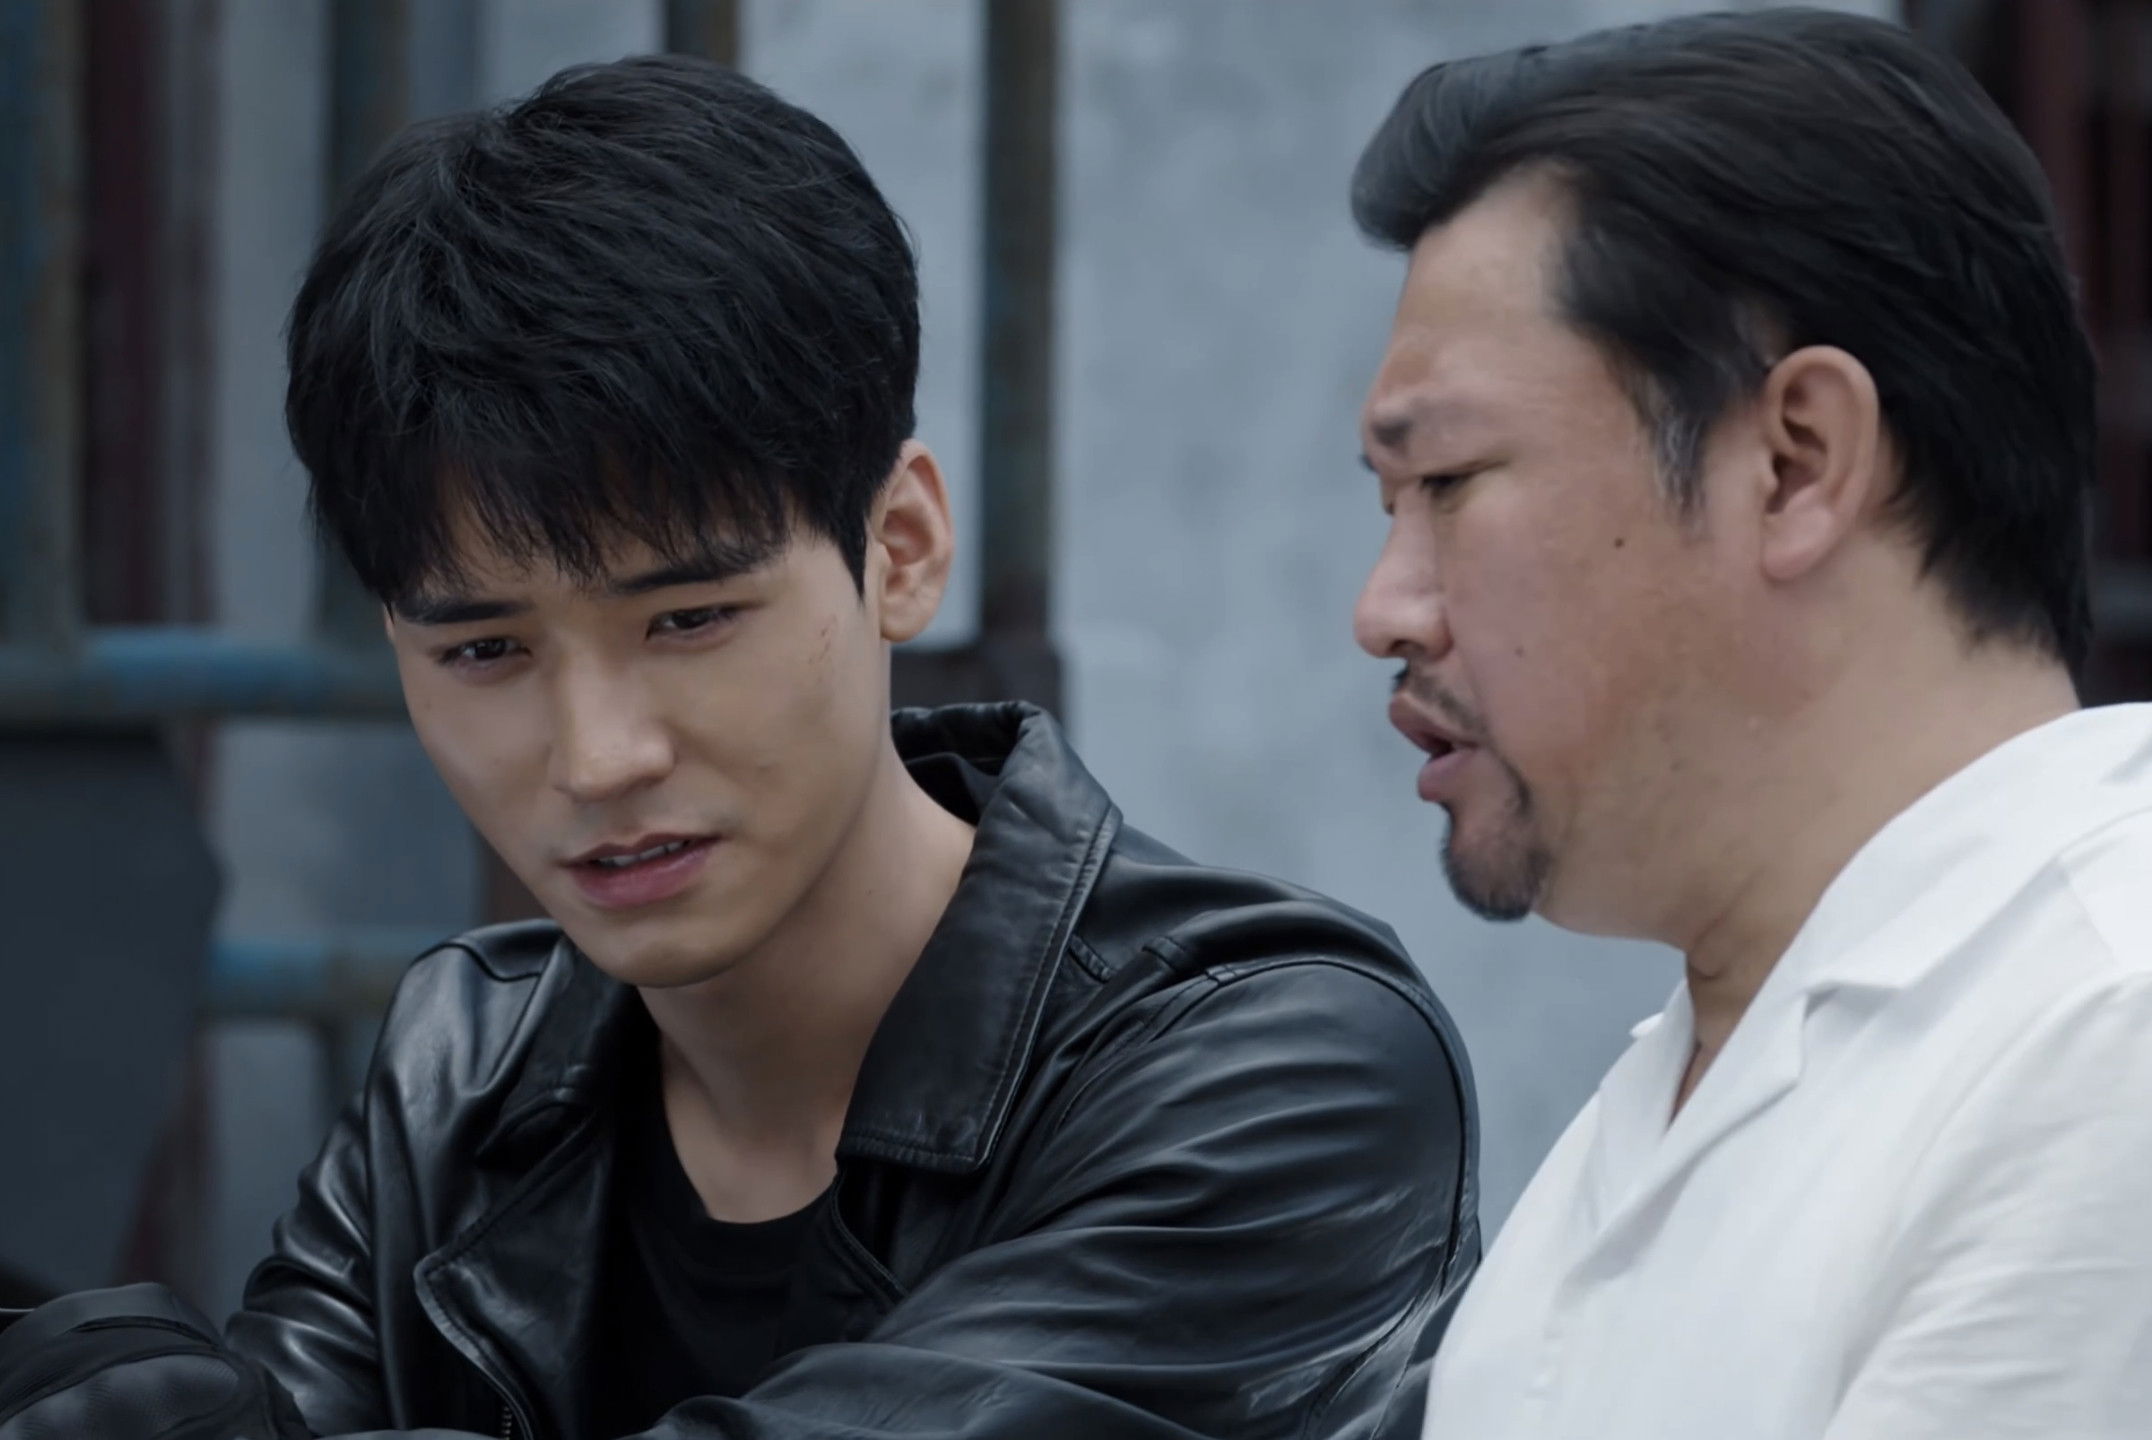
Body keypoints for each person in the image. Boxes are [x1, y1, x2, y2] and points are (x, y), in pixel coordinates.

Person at [57, 54, 1480, 1440]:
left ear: (900, 548)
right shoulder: (465, 1077)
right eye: (486, 651)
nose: (598, 758)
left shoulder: (1279, 1074)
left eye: (688, 620)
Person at [1344, 10, 2152, 1438]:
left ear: (1797, 461)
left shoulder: (2142, 1051)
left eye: (1448, 482)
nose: (1386, 610)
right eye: (1391, 506)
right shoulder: (1713, 1066)